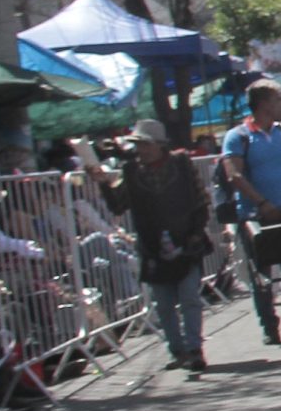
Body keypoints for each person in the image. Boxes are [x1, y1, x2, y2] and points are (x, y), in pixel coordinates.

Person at [85, 120, 215, 372]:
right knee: (163, 304)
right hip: (152, 246)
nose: (141, 150)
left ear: (159, 145)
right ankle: (177, 350)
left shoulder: (181, 163)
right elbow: (118, 205)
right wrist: (102, 182)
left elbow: (201, 200)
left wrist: (197, 233)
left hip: (186, 241)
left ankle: (194, 349)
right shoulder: (132, 171)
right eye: (138, 145)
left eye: (145, 144)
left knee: (189, 297)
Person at [222, 82, 281, 349]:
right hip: (256, 216)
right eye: (278, 101)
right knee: (261, 275)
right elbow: (235, 175)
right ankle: (269, 324)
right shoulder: (238, 136)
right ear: (264, 104)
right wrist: (262, 203)